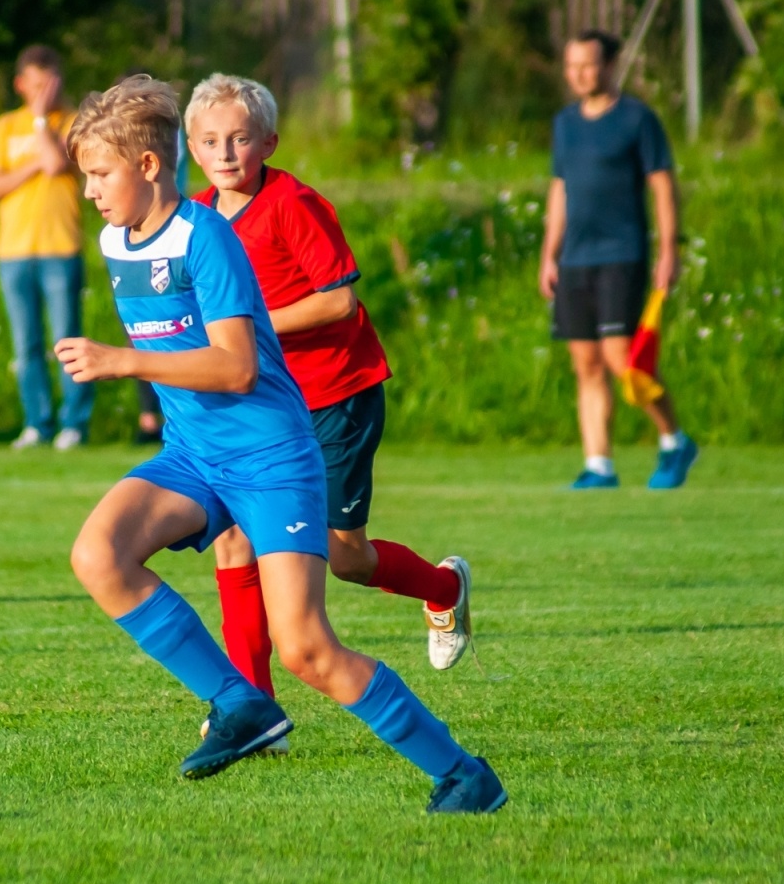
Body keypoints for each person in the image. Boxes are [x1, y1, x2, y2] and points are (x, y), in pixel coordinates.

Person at [55, 75, 505, 814]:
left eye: (100, 174)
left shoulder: (208, 240)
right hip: (194, 457)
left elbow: (235, 366)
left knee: (306, 650)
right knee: (97, 555)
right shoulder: (116, 240)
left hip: (270, 459)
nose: (92, 193)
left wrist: (122, 360)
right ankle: (239, 704)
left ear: (146, 167)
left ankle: (462, 775)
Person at [185, 74, 473, 734]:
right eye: (209, 141)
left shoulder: (293, 203)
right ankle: (248, 711)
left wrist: (251, 325)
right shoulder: (197, 217)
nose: (225, 152)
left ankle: (444, 589)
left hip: (334, 394)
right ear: (193, 152)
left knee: (345, 558)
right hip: (261, 407)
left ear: (269, 142)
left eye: (239, 138)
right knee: (232, 541)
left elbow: (338, 299)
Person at [540, 31, 699, 490]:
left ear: (609, 65)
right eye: (572, 66)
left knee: (623, 359)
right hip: (575, 261)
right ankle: (599, 465)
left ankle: (674, 439)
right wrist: (550, 253)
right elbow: (559, 189)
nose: (579, 75)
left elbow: (662, 185)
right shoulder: (565, 124)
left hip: (621, 256)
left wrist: (669, 249)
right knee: (585, 363)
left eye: (588, 65)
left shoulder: (637, 119)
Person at [0, 45, 94, 451]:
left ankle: (74, 423)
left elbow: (55, 162)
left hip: (60, 246)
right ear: (20, 84)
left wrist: (43, 119)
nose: (43, 90)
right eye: (36, 84)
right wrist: (27, 166)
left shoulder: (74, 122)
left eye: (50, 83)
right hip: (13, 251)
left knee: (66, 338)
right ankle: (37, 422)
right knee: (25, 344)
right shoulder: (4, 127)